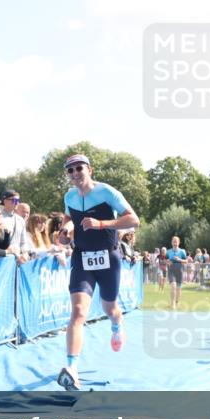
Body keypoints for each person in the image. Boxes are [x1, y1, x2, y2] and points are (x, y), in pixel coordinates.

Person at [56, 154, 139, 391]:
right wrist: (65, 231)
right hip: (82, 256)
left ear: (89, 169)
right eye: (70, 171)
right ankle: (72, 369)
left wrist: (101, 224)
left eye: (78, 168)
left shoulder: (107, 192)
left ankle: (116, 324)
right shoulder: (69, 196)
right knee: (78, 312)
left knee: (109, 308)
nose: (74, 174)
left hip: (108, 255)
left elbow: (134, 219)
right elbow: (69, 218)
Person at [0, 190, 32, 264]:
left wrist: (25, 254)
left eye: (18, 200)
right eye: (14, 200)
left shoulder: (20, 220)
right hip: (2, 260)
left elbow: (23, 242)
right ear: (5, 201)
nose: (17, 203)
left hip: (18, 260)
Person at [166, 235, 187, 310]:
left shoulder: (182, 251)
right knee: (173, 286)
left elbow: (186, 261)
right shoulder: (168, 252)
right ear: (171, 243)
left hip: (179, 270)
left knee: (178, 288)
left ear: (179, 242)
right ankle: (172, 304)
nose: (175, 243)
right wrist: (168, 262)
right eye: (173, 241)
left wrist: (179, 259)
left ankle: (177, 302)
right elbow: (166, 260)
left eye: (176, 241)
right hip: (171, 270)